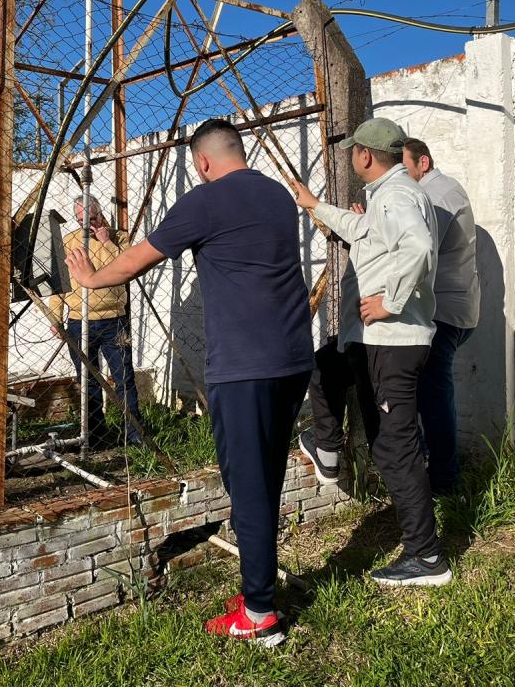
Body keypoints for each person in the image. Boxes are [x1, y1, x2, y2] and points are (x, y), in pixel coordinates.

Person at [66, 118, 312, 646]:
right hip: (293, 359)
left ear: (202, 162)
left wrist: (89, 278)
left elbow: (138, 259)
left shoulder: (205, 201)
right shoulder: (277, 196)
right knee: (265, 476)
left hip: (244, 368)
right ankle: (258, 588)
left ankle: (261, 614)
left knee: (247, 485)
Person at [292, 117, 452, 587]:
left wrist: (390, 301)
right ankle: (328, 451)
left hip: (392, 341)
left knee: (396, 448)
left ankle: (426, 557)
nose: (352, 158)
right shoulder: (391, 194)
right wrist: (316, 205)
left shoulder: (397, 195)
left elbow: (418, 246)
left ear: (365, 155)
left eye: (353, 152)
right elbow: (362, 230)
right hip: (376, 342)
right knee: (327, 365)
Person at [402, 138, 480, 495]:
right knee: (425, 390)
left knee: (433, 394)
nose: (401, 176)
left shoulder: (439, 194)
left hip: (444, 311)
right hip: (445, 307)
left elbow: (421, 247)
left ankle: (445, 481)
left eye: (405, 168)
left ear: (424, 163)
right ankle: (434, 469)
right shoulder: (432, 192)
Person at [59, 194, 143, 448]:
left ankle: (135, 435)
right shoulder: (70, 241)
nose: (87, 226)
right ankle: (95, 436)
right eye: (81, 221)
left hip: (113, 319)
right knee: (87, 380)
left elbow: (122, 270)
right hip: (78, 320)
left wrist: (106, 243)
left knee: (124, 379)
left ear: (100, 213)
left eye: (91, 219)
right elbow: (60, 282)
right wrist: (55, 316)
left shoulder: (119, 238)